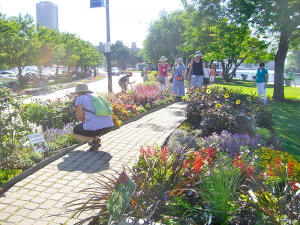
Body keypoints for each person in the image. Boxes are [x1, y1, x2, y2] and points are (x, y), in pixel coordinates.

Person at [72, 83, 114, 151]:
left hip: (96, 128)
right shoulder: (95, 96)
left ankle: (93, 139)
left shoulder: (79, 99)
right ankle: (95, 142)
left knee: (74, 132)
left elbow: (81, 118)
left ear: (78, 93)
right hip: (109, 126)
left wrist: (77, 109)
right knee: (91, 125)